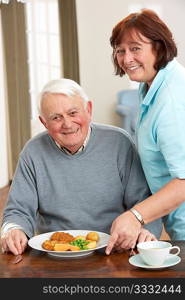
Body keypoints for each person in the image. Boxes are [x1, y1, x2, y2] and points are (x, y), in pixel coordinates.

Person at [0, 78, 162, 255]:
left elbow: (144, 200)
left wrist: (145, 231)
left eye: (72, 113)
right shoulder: (33, 152)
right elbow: (18, 209)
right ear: (44, 122)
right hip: (54, 257)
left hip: (114, 251)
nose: (67, 124)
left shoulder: (119, 143)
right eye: (56, 117)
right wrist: (14, 230)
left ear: (89, 110)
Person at [106, 8, 185, 255]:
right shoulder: (152, 85)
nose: (126, 58)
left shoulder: (171, 101)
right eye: (120, 50)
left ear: (159, 47)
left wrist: (136, 216)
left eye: (135, 47)